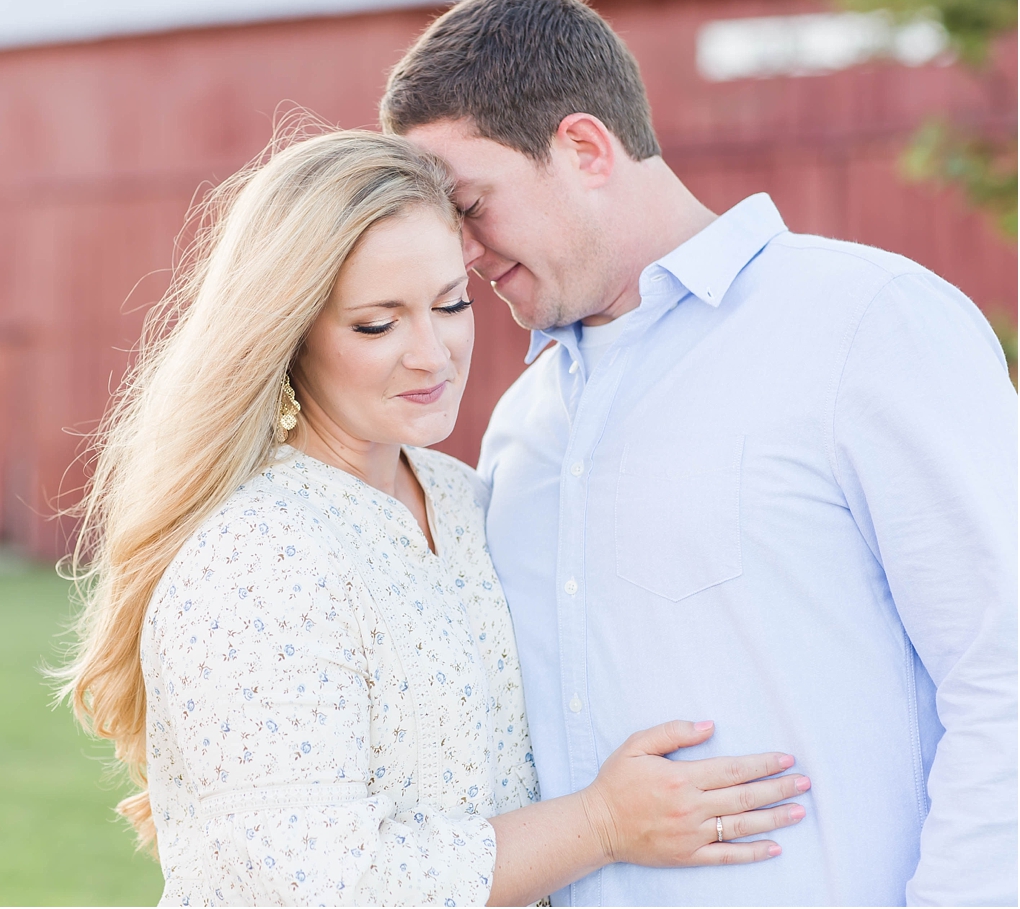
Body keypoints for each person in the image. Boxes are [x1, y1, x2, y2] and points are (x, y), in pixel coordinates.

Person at [382, 0, 1019, 907]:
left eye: (472, 205)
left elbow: (1003, 673)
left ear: (585, 148)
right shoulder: (523, 426)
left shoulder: (866, 323)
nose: (463, 253)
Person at [55, 129, 811, 906]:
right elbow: (325, 884)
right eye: (378, 324)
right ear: (290, 337)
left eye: (451, 304)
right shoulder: (258, 555)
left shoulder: (460, 496)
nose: (433, 353)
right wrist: (603, 823)